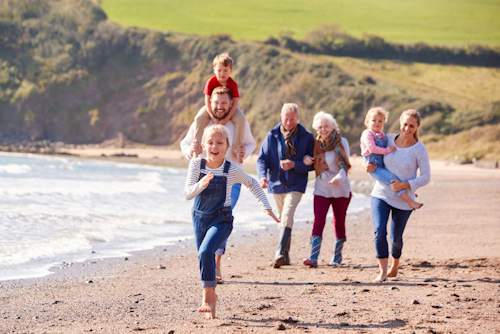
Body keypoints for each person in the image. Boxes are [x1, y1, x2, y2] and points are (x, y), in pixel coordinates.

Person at [184, 124, 279, 319]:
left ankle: (207, 299)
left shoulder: (231, 169)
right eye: (210, 142)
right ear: (203, 145)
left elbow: (252, 183)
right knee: (203, 257)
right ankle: (213, 299)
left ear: (227, 147)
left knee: (205, 251)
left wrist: (266, 206)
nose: (214, 146)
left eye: (219, 142)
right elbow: (187, 194)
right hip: (199, 218)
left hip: (222, 219)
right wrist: (201, 185)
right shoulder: (196, 165)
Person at [181, 86, 256, 284]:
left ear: (230, 104)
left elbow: (251, 143)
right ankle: (208, 259)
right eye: (216, 103)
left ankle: (217, 261)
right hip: (205, 180)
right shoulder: (202, 122)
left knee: (222, 216)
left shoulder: (237, 123)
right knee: (205, 219)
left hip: (231, 178)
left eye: (224, 103)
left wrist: (243, 151)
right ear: (210, 103)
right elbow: (185, 143)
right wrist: (192, 151)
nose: (220, 107)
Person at [364, 109, 431, 283]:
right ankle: (382, 272)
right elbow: (373, 157)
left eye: (411, 126)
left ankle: (395, 263)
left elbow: (426, 177)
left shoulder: (419, 149)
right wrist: (369, 167)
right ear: (399, 123)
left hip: (404, 200)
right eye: (404, 124)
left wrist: (406, 185)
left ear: (417, 127)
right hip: (381, 194)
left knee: (396, 239)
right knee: (379, 231)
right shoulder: (387, 139)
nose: (407, 129)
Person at [257, 103, 315, 268]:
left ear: (297, 118)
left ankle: (279, 252)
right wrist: (262, 177)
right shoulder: (273, 135)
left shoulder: (307, 136)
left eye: (292, 119)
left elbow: (312, 164)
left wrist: (295, 164)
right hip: (276, 183)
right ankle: (286, 255)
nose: (289, 122)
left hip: (297, 183)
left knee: (287, 214)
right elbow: (262, 158)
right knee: (283, 218)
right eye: (286, 119)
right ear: (281, 117)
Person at [301, 111, 352, 268]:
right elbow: (306, 157)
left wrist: (339, 178)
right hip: (322, 188)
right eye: (320, 126)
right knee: (319, 221)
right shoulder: (315, 143)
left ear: (333, 127)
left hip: (340, 188)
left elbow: (345, 165)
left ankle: (337, 257)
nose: (323, 129)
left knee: (339, 222)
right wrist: (306, 160)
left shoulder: (341, 141)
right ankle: (313, 257)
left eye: (327, 126)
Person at [361, 107, 423, 209]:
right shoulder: (367, 134)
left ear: (383, 123)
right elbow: (371, 148)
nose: (377, 123)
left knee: (394, 178)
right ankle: (409, 201)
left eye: (380, 121)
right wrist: (387, 151)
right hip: (374, 166)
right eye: (374, 120)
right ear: (367, 121)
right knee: (392, 180)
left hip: (380, 164)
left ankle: (409, 195)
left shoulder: (384, 136)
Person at [193, 53, 246, 163]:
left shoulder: (233, 84)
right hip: (210, 107)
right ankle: (196, 147)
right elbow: (207, 101)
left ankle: (237, 149)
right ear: (214, 70)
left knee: (241, 118)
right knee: (199, 117)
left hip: (229, 108)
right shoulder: (210, 82)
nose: (222, 73)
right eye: (219, 70)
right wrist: (213, 118)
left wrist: (226, 120)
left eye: (225, 70)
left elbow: (235, 103)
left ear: (230, 71)